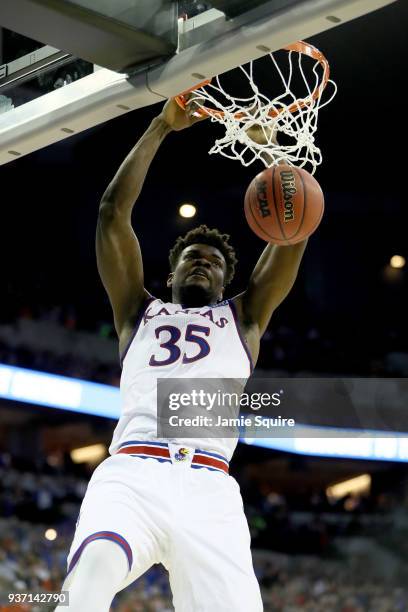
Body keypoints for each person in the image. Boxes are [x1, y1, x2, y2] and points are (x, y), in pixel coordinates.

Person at [56, 98, 307, 611]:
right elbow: (111, 214)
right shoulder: (136, 312)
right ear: (169, 274)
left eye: (213, 262)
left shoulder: (246, 317)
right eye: (192, 258)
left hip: (210, 487)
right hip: (133, 474)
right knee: (86, 586)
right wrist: (160, 126)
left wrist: (272, 155)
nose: (202, 265)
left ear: (227, 280)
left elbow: (294, 227)